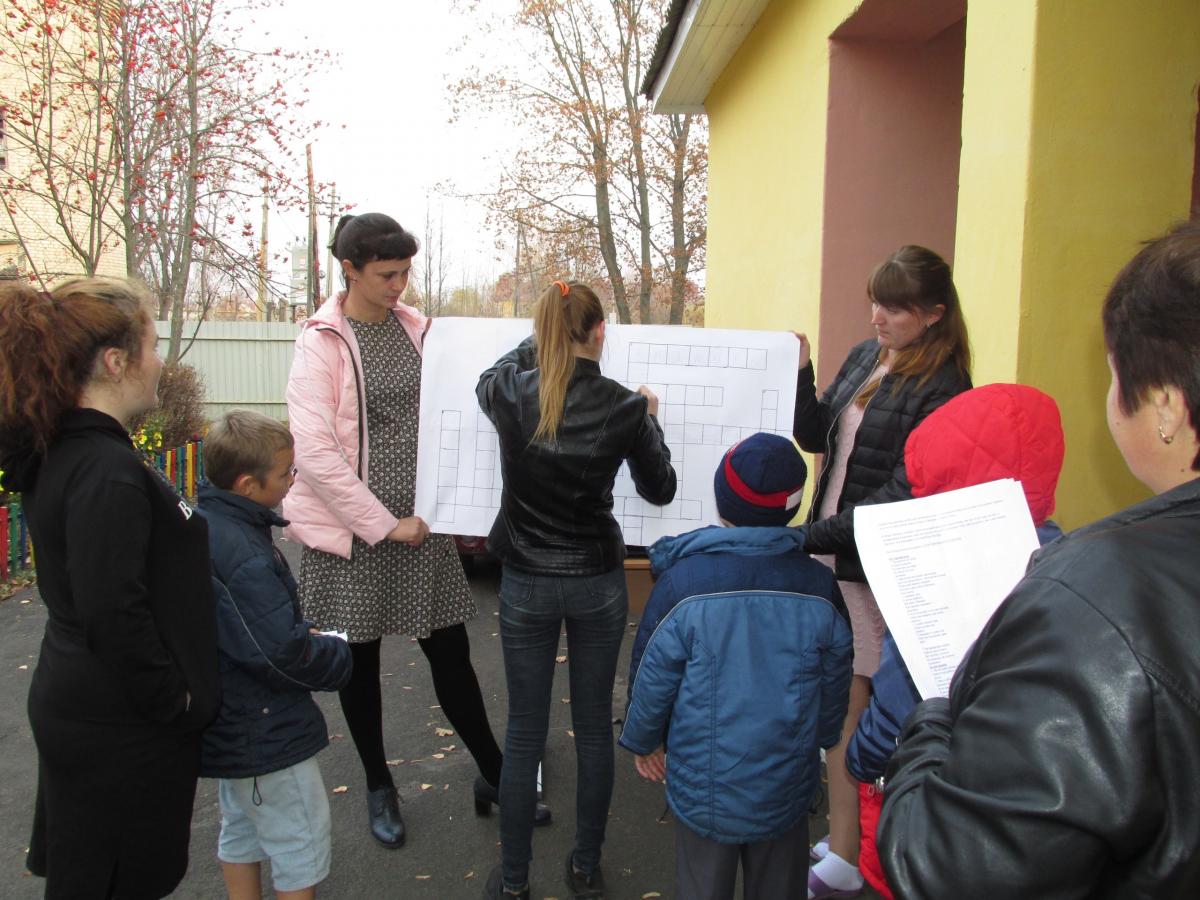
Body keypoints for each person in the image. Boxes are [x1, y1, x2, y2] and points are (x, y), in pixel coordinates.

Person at [877, 220, 1200, 898]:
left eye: (1113, 375)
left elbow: (952, 869)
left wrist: (933, 718)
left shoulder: (1099, 595)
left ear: (1166, 406)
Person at [284, 213, 543, 850]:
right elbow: (314, 452)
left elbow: (473, 391)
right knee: (360, 665)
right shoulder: (321, 343)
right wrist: (381, 525)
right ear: (349, 269)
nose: (399, 285)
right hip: (354, 533)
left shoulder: (419, 330)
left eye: (404, 272)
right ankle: (379, 786)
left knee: (451, 655)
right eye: (386, 274)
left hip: (423, 526)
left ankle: (494, 773)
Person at [0, 278, 219, 898]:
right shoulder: (104, 471)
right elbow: (112, 611)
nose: (161, 363)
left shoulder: (80, 451)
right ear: (116, 362)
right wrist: (174, 700)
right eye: (152, 346)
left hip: (97, 709)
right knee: (111, 880)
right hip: (118, 725)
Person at [476, 280, 677, 900]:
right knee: (592, 728)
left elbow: (490, 376)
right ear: (600, 331)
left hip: (526, 583)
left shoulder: (511, 391)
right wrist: (650, 418)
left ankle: (514, 883)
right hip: (595, 581)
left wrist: (539, 341)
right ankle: (586, 867)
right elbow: (661, 489)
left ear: (543, 334)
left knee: (523, 733)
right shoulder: (624, 407)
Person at [793, 245, 971, 898]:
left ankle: (849, 854)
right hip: (832, 550)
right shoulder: (868, 356)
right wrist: (800, 371)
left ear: (934, 314)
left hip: (871, 569)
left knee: (854, 709)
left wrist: (807, 537)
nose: (877, 317)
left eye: (894, 308)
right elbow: (815, 435)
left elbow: (901, 496)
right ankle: (846, 839)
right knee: (840, 704)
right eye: (876, 302)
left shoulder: (945, 387)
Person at [844, 383, 1066, 899]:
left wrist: (862, 758)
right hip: (1027, 817)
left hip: (928, 815)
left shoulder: (932, 576)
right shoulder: (1066, 560)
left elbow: (897, 702)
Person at [620, 432, 854, 900]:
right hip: (786, 782)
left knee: (703, 885)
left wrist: (644, 740)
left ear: (722, 499)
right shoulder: (819, 586)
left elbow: (652, 674)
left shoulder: (684, 583)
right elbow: (836, 679)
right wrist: (825, 735)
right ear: (792, 507)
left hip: (704, 789)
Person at [197, 411, 354, 899]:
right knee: (299, 842)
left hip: (233, 722)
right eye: (286, 472)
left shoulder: (211, 525)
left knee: (242, 829)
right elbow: (280, 651)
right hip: (265, 731)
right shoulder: (243, 552)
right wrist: (336, 654)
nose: (293, 478)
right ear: (248, 485)